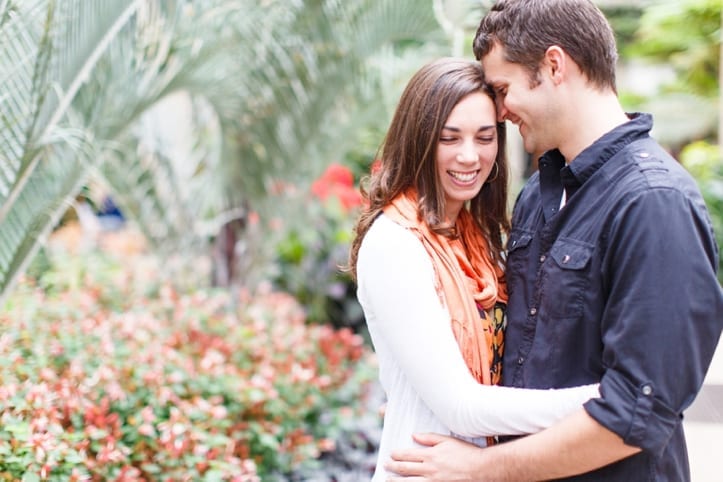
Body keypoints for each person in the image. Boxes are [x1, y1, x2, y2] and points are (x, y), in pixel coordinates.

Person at [385, 1, 723, 481]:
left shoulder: (653, 202)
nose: (500, 111)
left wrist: (484, 468)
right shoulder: (538, 195)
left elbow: (638, 412)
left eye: (503, 90)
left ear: (554, 65)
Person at [348, 57, 600, 482]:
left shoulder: (477, 238)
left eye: (485, 137)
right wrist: (612, 399)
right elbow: (461, 406)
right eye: (450, 138)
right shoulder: (395, 244)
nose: (470, 156)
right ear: (419, 141)